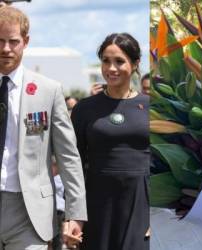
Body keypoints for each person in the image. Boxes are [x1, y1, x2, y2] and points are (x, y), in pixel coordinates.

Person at [0, 6, 87, 249]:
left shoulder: (48, 91)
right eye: (0, 41)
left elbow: (68, 155)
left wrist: (75, 212)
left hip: (29, 213)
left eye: (13, 41)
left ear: (25, 42)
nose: (6, 49)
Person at [71, 33, 150, 250]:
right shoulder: (84, 108)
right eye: (106, 61)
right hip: (97, 203)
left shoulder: (153, 106)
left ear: (135, 64)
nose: (111, 68)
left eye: (119, 61)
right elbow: (73, 163)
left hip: (140, 202)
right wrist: (73, 215)